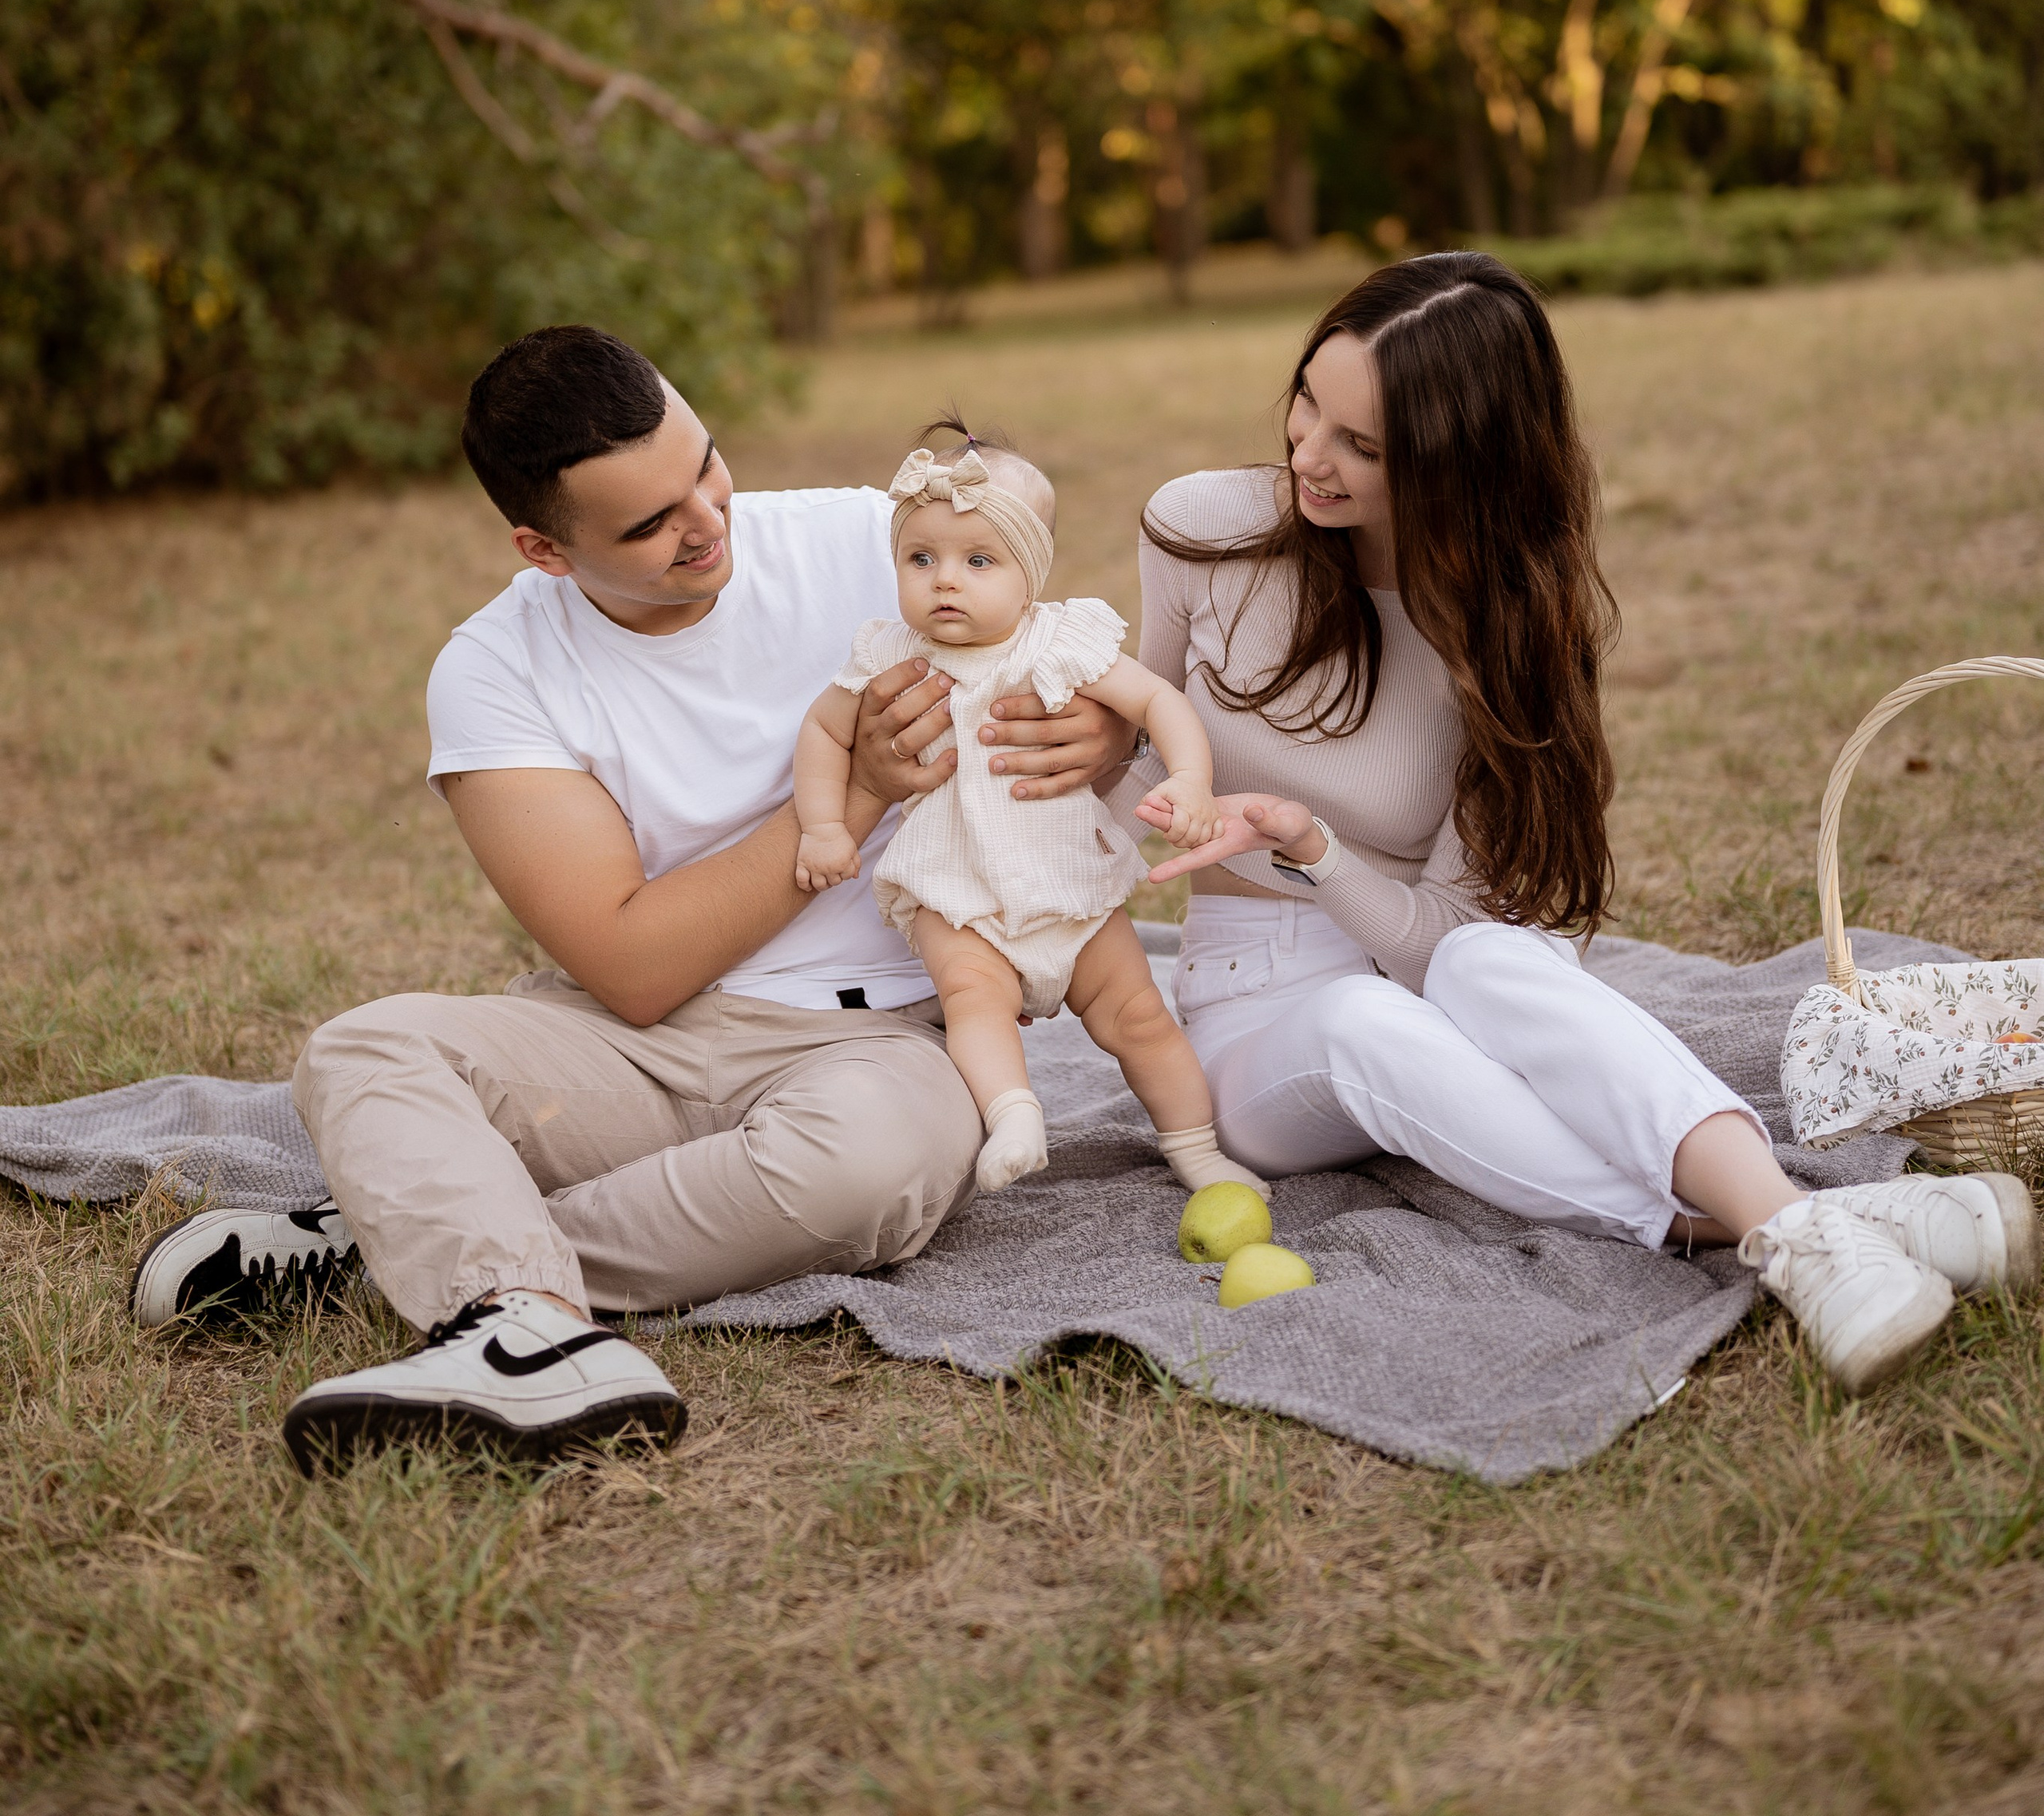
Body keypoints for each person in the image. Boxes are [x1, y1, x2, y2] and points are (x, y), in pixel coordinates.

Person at [127, 326, 1132, 1469]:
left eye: (705, 465)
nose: (706, 523)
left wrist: (1097, 733)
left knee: (873, 1163)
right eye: (649, 524)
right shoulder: (495, 670)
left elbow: (1071, 690)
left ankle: (455, 1272)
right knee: (367, 1049)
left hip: (884, 1039)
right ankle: (531, 1330)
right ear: (543, 549)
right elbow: (632, 968)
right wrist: (849, 795)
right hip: (635, 1039)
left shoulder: (871, 542)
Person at [1131, 251, 2038, 1397]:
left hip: (1436, 969)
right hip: (1259, 1016)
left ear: (1463, 464)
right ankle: (1799, 1222)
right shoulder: (1203, 531)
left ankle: (1802, 1240)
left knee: (1485, 956)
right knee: (1362, 1016)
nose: (1309, 453)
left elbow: (1443, 940)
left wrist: (1316, 847)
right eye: (1308, 399)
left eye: (1364, 446)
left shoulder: (1501, 633)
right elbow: (1122, 768)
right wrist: (1138, 784)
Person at [794, 425, 1250, 1198]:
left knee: (1137, 1014)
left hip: (1067, 883)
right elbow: (822, 729)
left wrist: (1192, 779)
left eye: (978, 561)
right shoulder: (888, 653)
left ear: (1027, 575)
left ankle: (1196, 1148)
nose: (945, 581)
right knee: (975, 1000)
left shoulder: (1058, 640)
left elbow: (1157, 699)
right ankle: (1013, 1113)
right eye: (921, 558)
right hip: (956, 889)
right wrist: (824, 824)